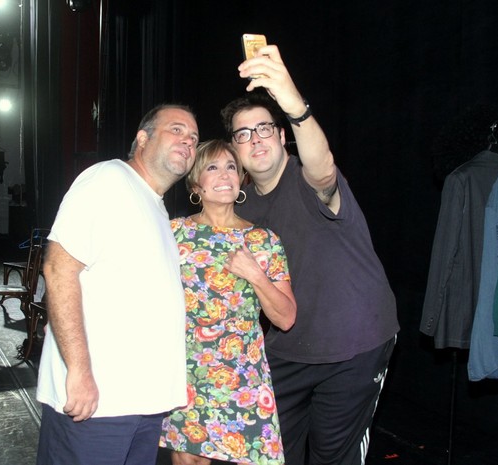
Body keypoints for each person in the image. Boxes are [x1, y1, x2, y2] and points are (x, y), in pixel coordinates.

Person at [221, 45, 400, 465]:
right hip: (287, 347)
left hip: (355, 343)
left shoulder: (307, 179)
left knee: (332, 458)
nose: (255, 139)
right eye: (243, 134)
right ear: (235, 149)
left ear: (283, 135)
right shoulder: (240, 207)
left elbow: (324, 168)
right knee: (266, 450)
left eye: (264, 128)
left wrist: (293, 105)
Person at [36, 104, 199, 465]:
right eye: (176, 130)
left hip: (141, 405)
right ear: (142, 139)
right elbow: (59, 268)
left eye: (193, 137)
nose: (187, 141)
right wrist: (78, 370)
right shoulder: (108, 179)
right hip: (97, 404)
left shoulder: (155, 207)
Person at [159, 139, 297, 465]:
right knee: (190, 461)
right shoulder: (172, 233)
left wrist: (255, 274)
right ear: (196, 183)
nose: (224, 175)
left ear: (241, 178)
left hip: (243, 377)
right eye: (212, 167)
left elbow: (286, 318)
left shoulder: (263, 241)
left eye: (231, 167)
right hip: (187, 372)